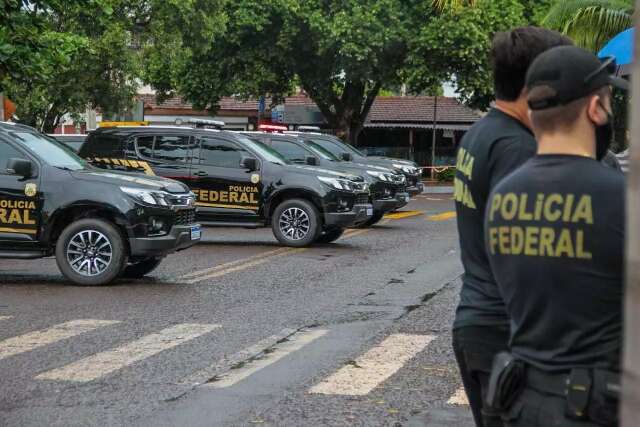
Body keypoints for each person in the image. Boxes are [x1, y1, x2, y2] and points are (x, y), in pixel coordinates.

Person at [485, 46, 627, 426]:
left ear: (533, 113)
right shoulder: (620, 198)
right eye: (609, 101)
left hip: (521, 401)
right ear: (595, 109)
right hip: (596, 406)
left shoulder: (502, 197)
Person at [452, 27, 572, 427]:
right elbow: (530, 254)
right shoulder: (517, 149)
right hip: (506, 334)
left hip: (480, 324)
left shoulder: (480, 133)